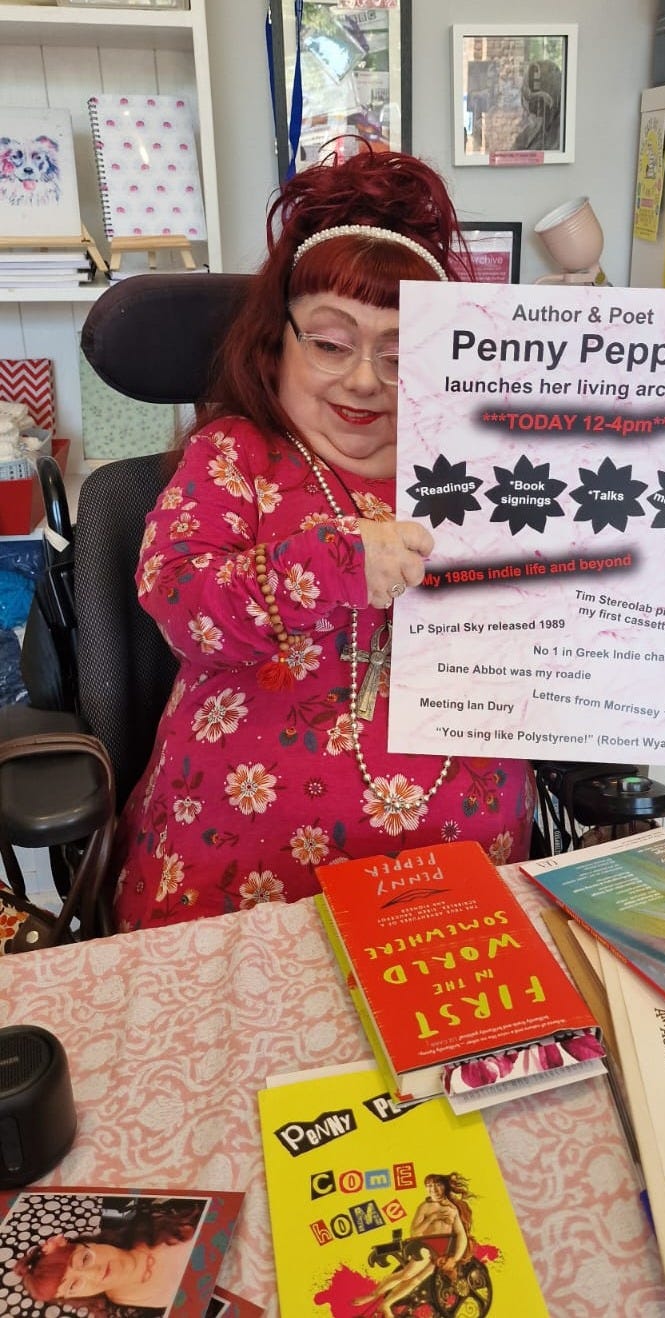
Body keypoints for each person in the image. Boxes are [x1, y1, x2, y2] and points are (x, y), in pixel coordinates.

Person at [111, 147, 537, 932]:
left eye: (402, 354)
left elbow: (575, 609)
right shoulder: (237, 455)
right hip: (241, 880)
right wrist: (334, 562)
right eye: (332, 343)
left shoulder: (494, 473)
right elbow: (180, 601)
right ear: (277, 346)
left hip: (460, 878)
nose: (366, 379)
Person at [12, 1197, 203, 1316]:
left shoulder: (148, 1212)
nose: (94, 1274)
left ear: (88, 1243)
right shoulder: (123, 1314)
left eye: (85, 1259)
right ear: (75, 1297)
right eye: (73, 1285)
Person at [354, 1172, 473, 1317]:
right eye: (429, 1186)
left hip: (443, 1250)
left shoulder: (452, 1209)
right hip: (426, 1246)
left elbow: (461, 1235)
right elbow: (415, 1232)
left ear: (445, 1187)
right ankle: (373, 1295)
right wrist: (432, 1218)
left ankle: (386, 1304)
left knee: (416, 1280)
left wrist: (455, 1258)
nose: (433, 1189)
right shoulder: (425, 1206)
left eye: (437, 1185)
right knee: (407, 1274)